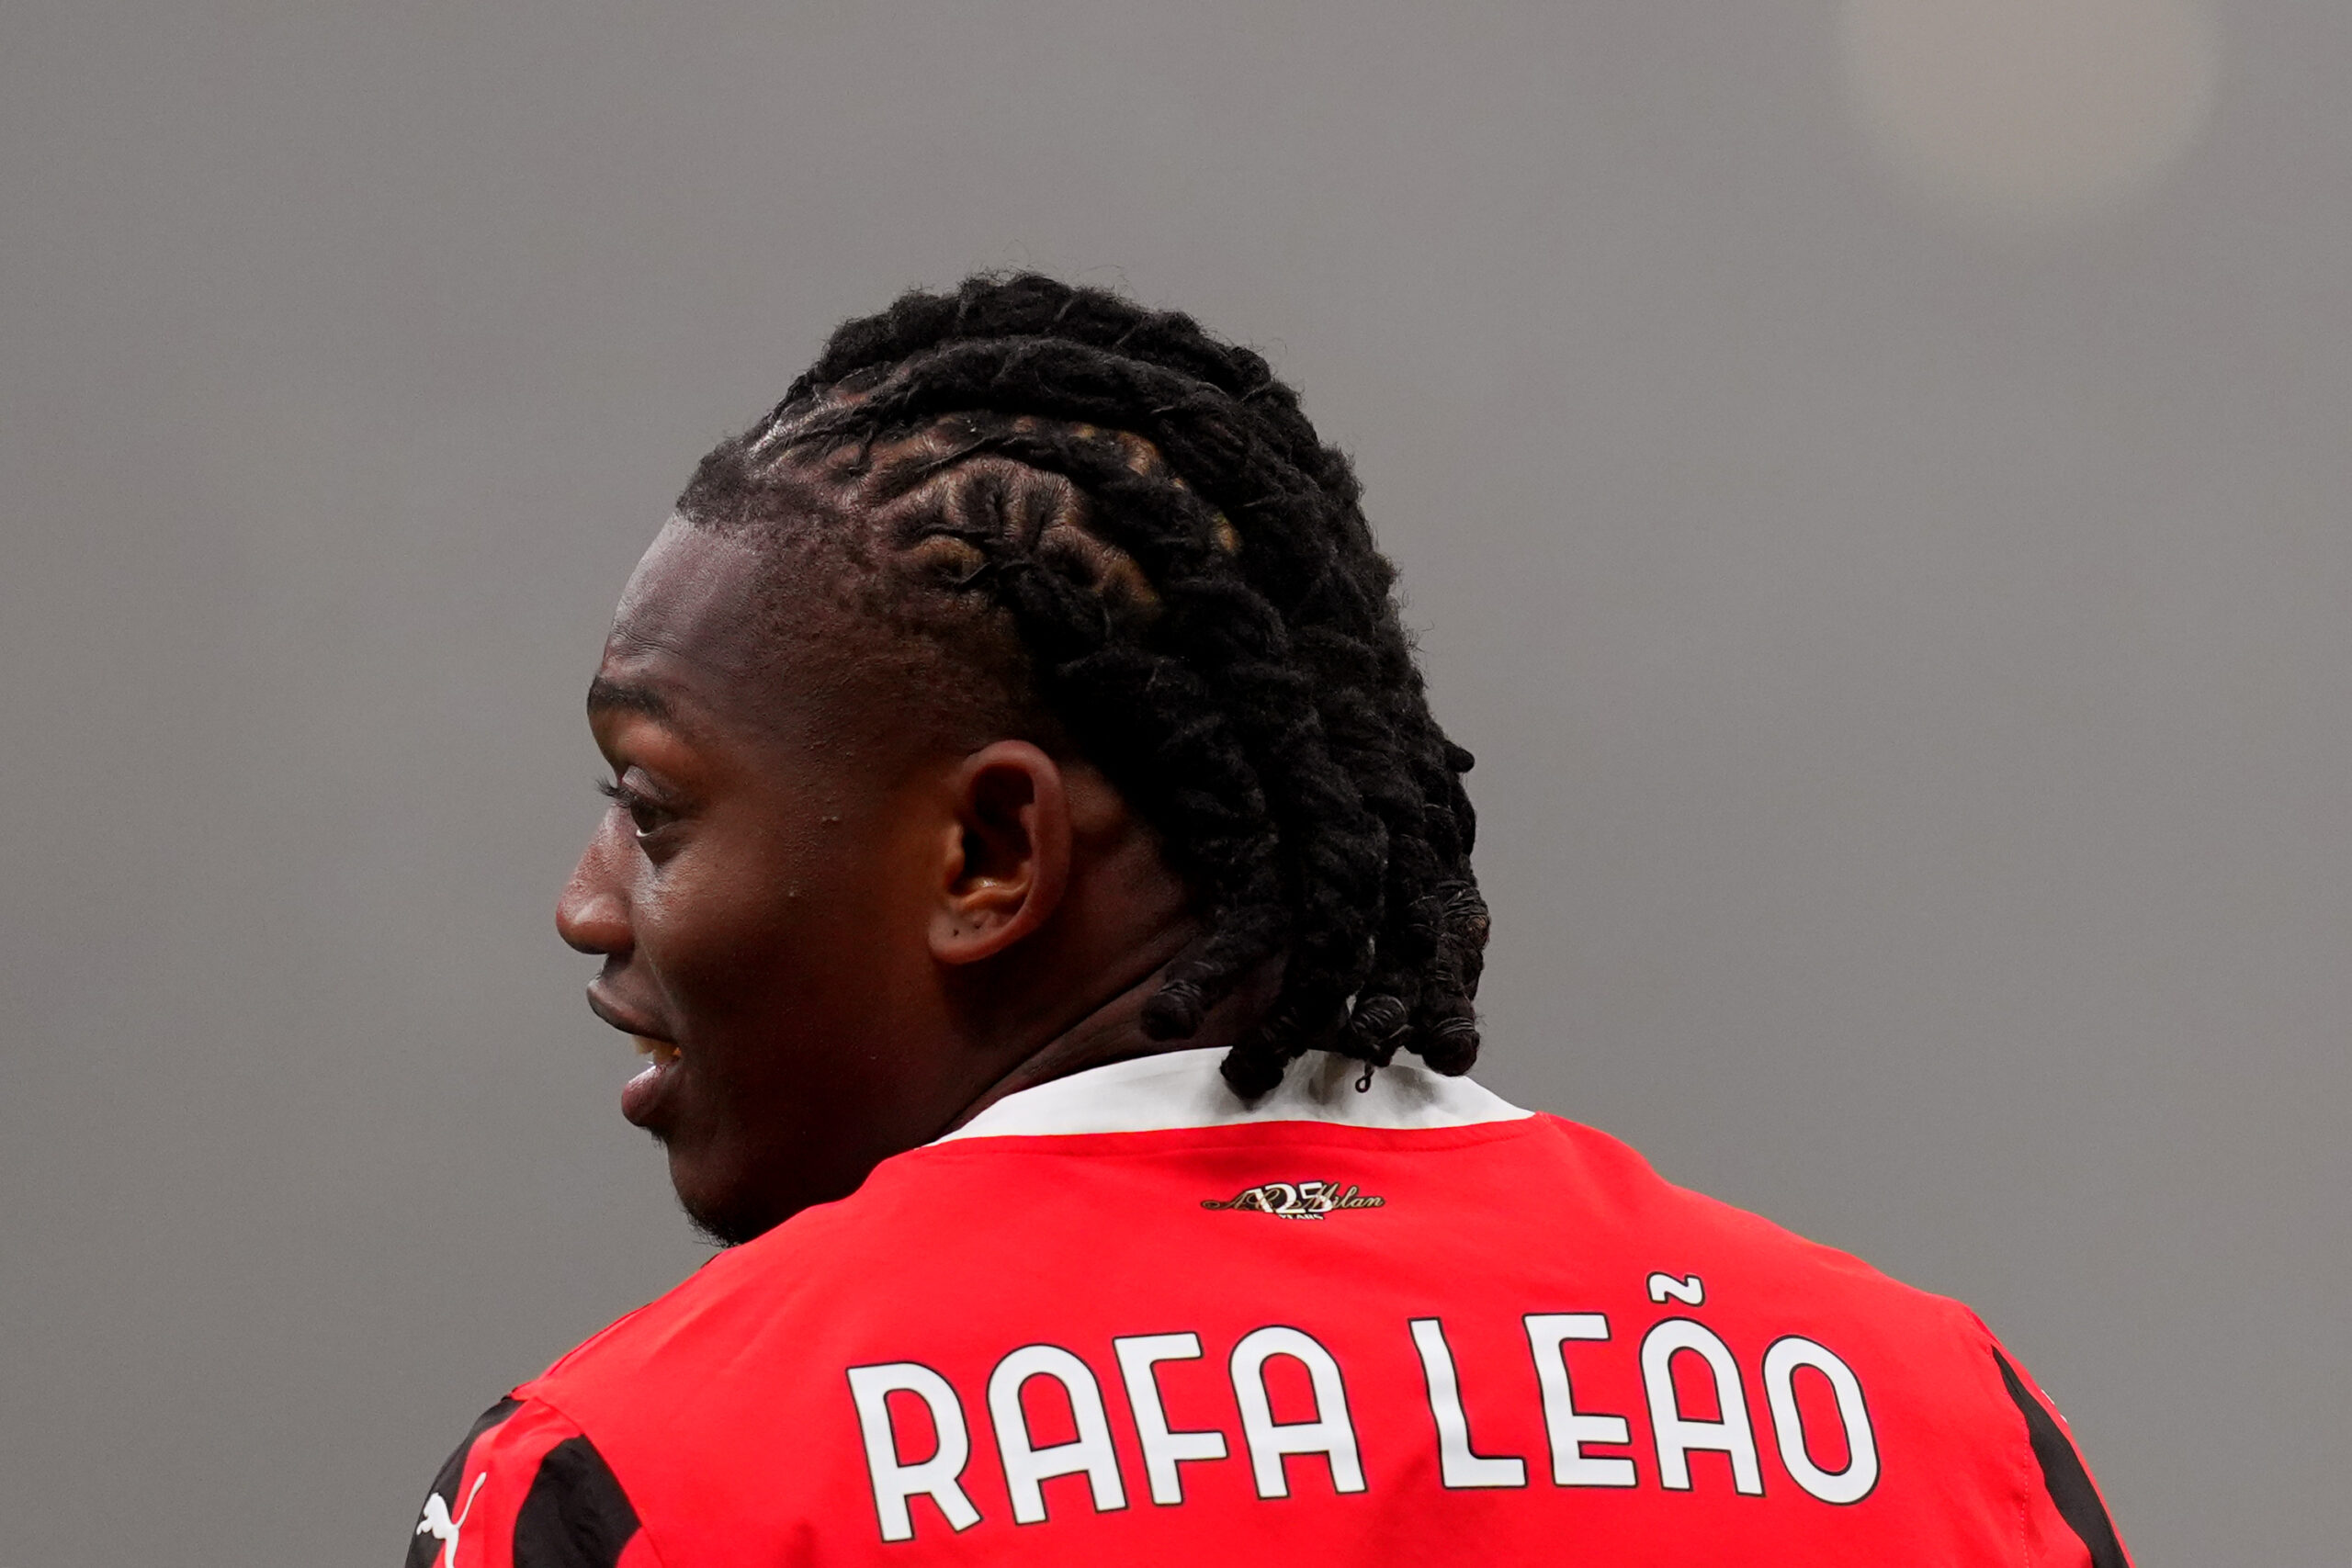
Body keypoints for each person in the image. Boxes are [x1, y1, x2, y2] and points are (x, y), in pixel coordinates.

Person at [405, 274, 2132, 1566]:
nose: (587, 904)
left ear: (990, 858)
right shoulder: (1938, 1423)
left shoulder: (641, 1479)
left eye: (651, 807)